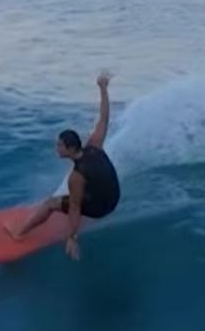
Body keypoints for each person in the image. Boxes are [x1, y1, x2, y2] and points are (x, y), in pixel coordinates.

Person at [6, 72, 122, 260]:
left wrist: (72, 237)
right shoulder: (94, 145)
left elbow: (75, 208)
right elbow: (104, 119)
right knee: (81, 192)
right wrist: (103, 88)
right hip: (114, 198)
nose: (57, 148)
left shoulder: (76, 177)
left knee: (50, 204)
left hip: (102, 209)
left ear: (71, 148)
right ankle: (89, 204)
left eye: (60, 145)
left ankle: (18, 233)